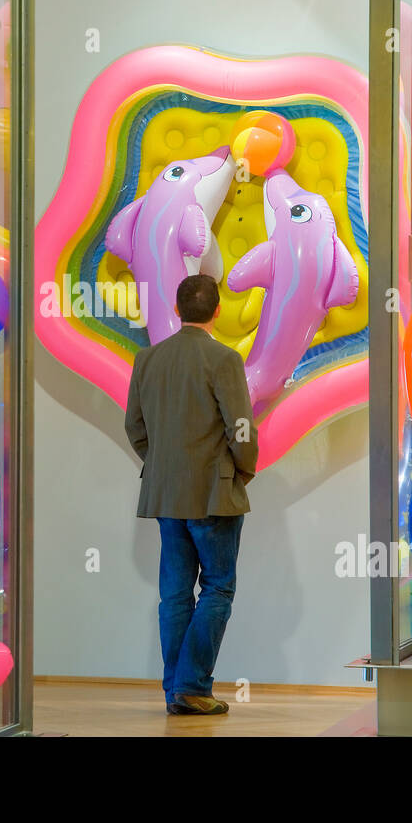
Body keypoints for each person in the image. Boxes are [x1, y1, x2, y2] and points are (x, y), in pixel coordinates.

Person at [124, 274, 258, 716]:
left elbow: (135, 429)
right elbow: (241, 428)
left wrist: (162, 462)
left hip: (165, 493)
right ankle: (192, 687)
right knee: (218, 588)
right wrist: (242, 468)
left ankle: (176, 691)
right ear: (217, 310)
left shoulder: (147, 359)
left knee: (175, 595)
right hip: (213, 493)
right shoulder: (224, 359)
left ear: (177, 310)